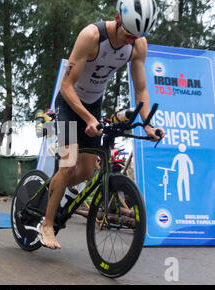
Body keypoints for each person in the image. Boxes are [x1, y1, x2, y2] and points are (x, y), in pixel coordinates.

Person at [39, 0, 165, 249]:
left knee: (86, 172)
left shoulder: (137, 44)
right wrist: (88, 119)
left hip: (93, 104)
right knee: (68, 164)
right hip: (68, 102)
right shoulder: (92, 36)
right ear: (118, 17)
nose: (132, 40)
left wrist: (148, 124)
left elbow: (141, 89)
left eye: (137, 36)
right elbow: (66, 85)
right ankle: (47, 224)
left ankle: (53, 189)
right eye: (129, 34)